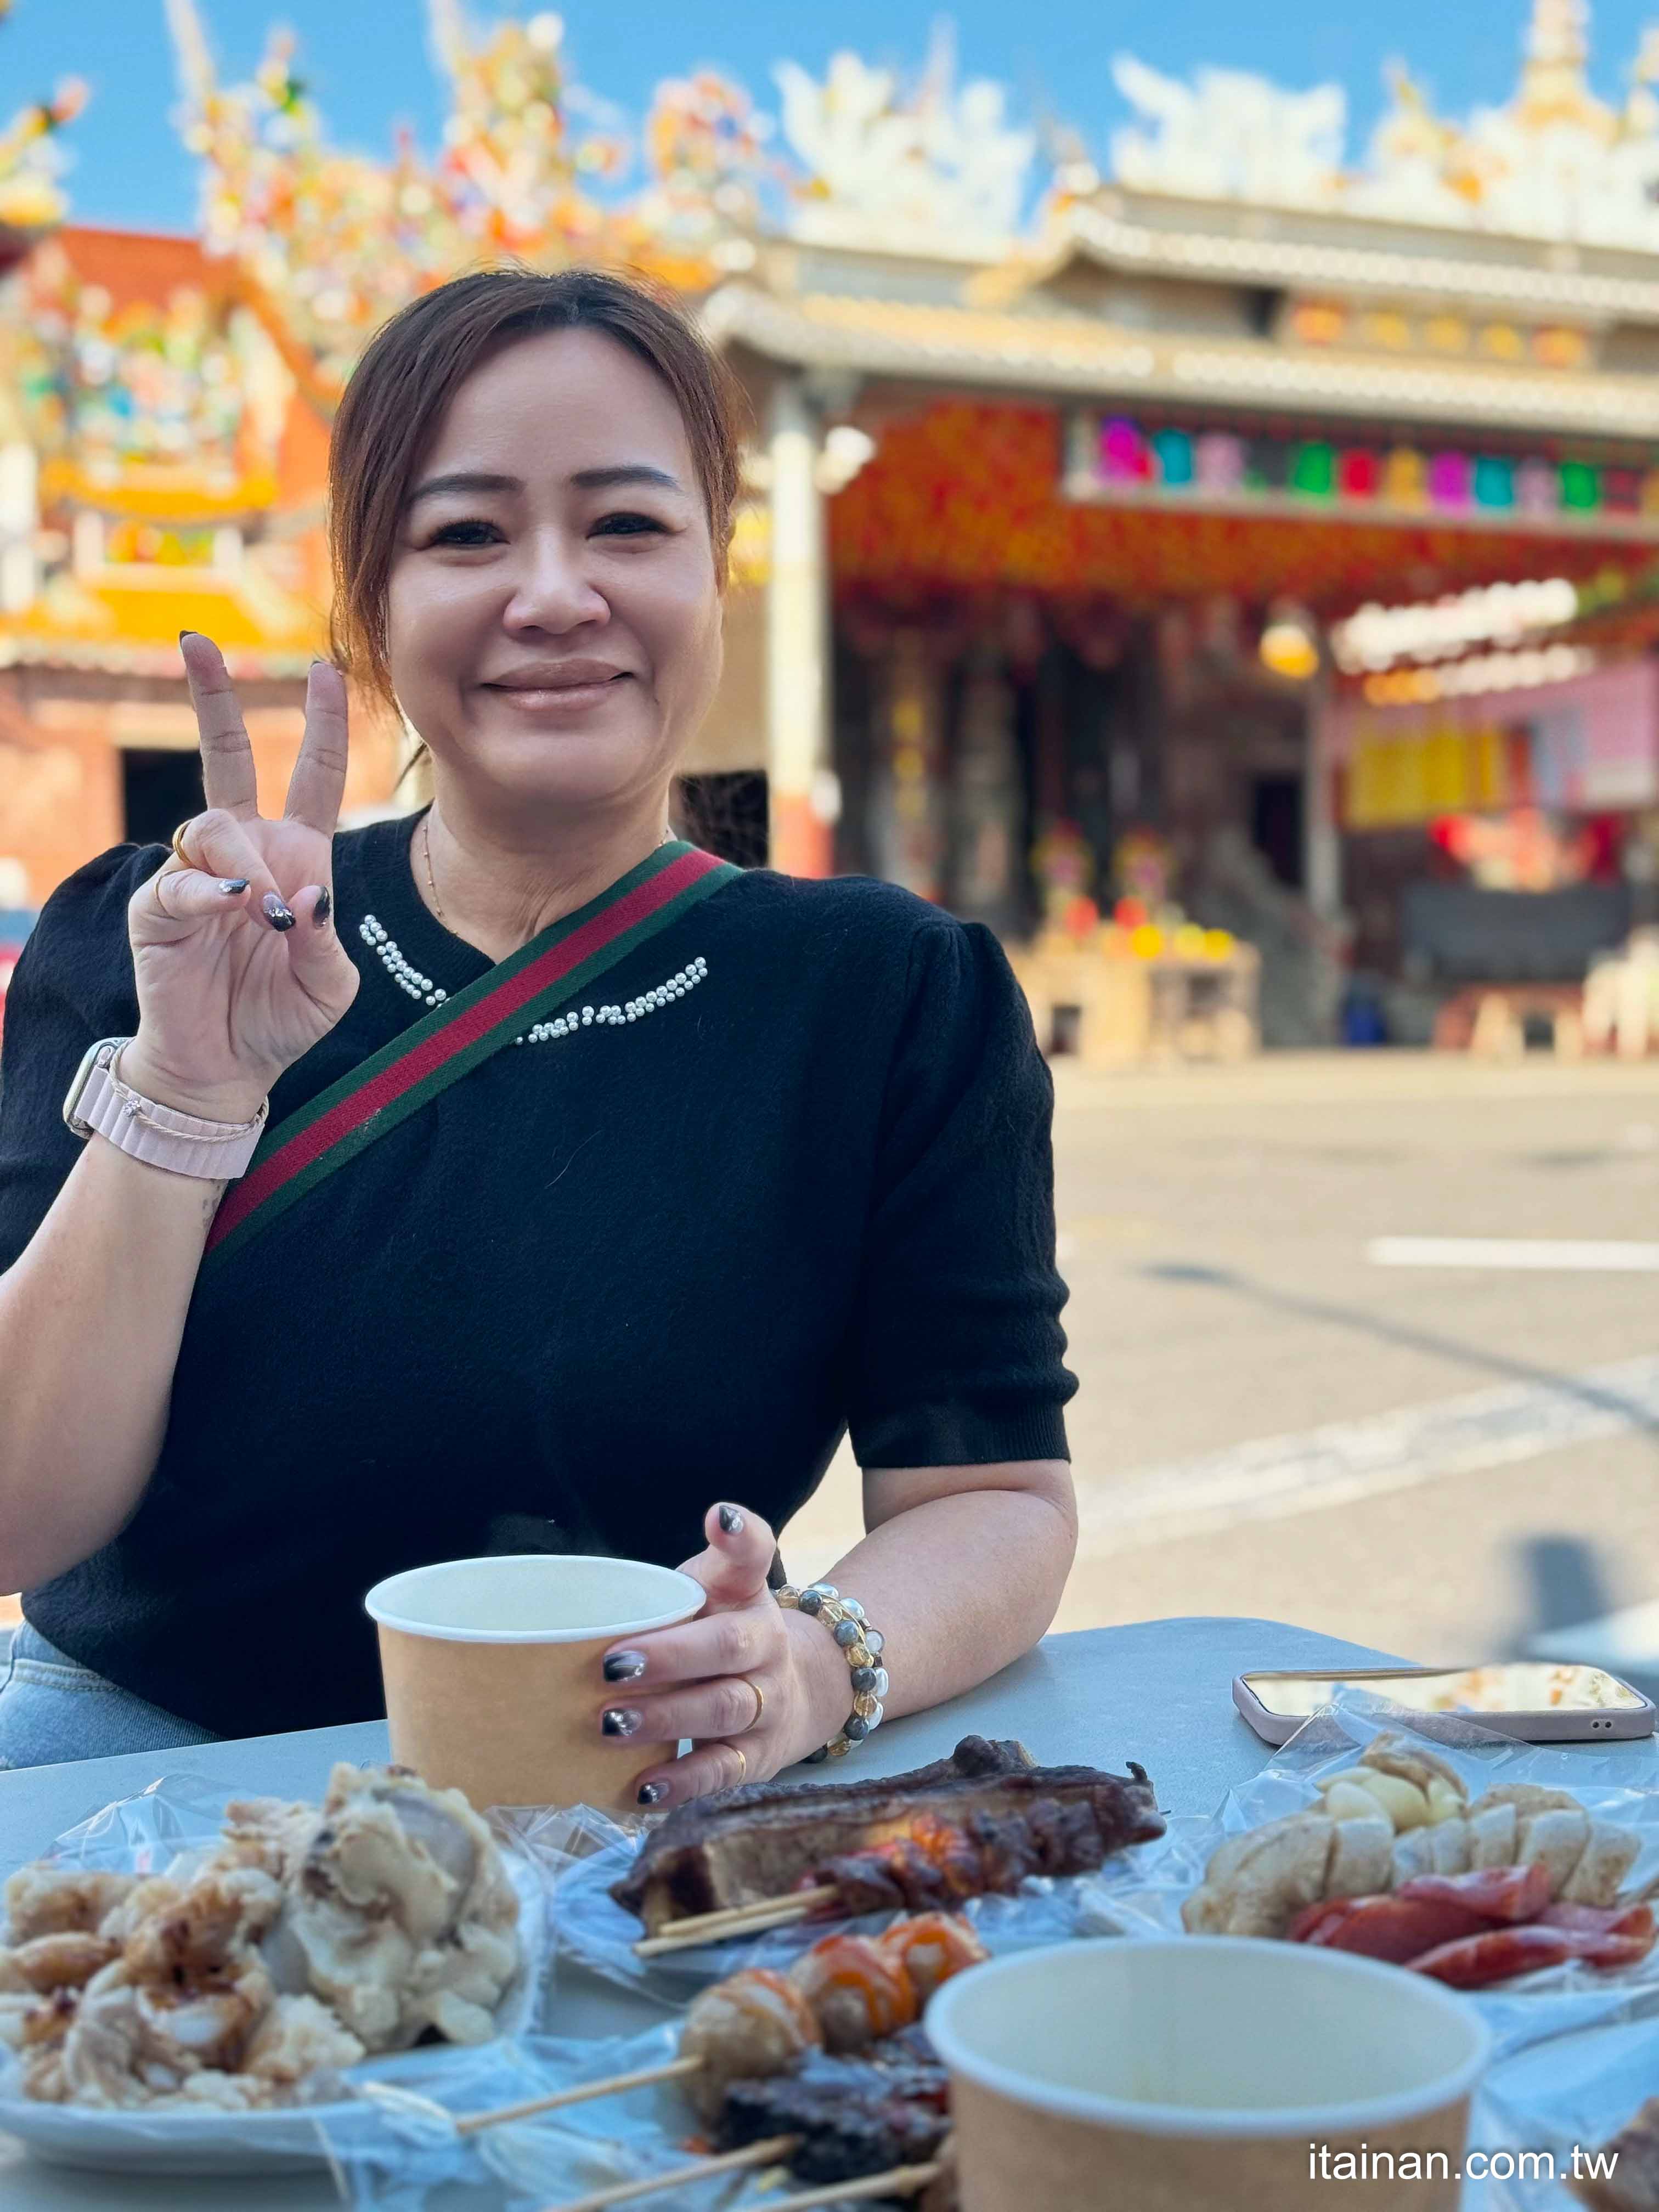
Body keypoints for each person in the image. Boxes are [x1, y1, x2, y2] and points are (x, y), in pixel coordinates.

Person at [0, 268, 1076, 1797]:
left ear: (719, 573)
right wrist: (189, 1080)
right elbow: (15, 1520)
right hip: (130, 1749)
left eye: (629, 524)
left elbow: (995, 1497)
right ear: (369, 603)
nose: (557, 593)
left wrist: (811, 1664)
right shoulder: (151, 937)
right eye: (467, 533)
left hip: (616, 1764)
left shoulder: (886, 994)